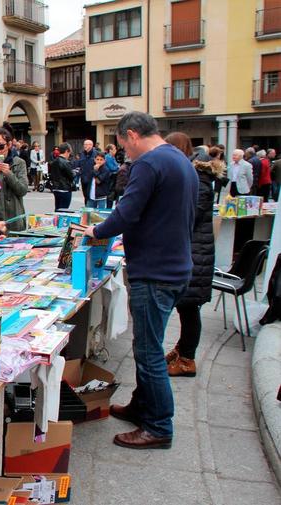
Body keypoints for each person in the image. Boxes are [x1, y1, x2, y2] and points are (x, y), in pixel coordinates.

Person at [85, 111, 197, 450]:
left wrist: (95, 230)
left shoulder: (148, 164)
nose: (124, 153)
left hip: (155, 271)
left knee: (148, 352)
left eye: (123, 146)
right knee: (148, 344)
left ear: (132, 135)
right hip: (175, 267)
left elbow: (126, 212)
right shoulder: (179, 159)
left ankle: (159, 426)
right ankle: (141, 406)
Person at [163, 137, 224, 378]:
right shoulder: (194, 175)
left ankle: (187, 359)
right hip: (193, 250)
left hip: (195, 252)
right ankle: (182, 350)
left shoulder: (197, 178)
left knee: (189, 307)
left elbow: (190, 216)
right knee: (186, 308)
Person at [49, 143, 75, 211]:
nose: (69, 155)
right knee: (64, 210)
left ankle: (56, 221)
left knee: (57, 208)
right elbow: (71, 176)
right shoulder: (65, 162)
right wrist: (75, 173)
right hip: (65, 188)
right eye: (69, 153)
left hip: (56, 188)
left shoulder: (54, 161)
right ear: (67, 151)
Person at [76, 139, 98, 204]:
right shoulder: (82, 154)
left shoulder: (96, 154)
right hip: (83, 178)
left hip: (91, 178)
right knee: (85, 195)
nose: (85, 146)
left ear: (91, 145)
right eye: (84, 144)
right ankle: (87, 209)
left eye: (86, 144)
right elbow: (79, 164)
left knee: (90, 196)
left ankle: (90, 209)